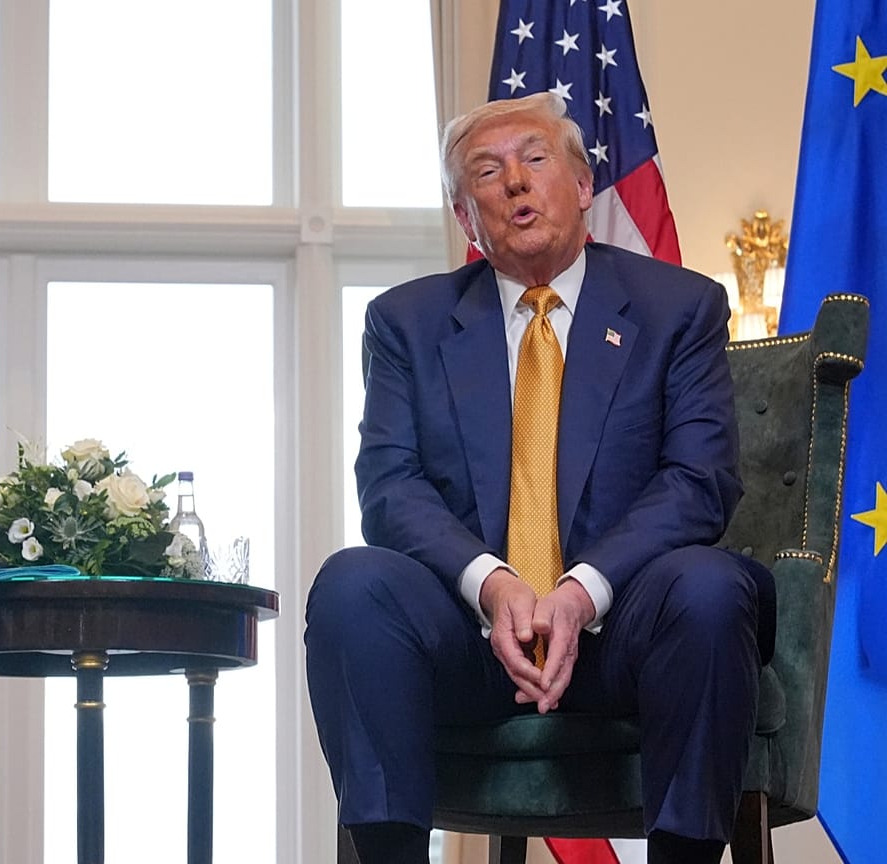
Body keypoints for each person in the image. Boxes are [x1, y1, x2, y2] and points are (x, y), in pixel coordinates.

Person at [304, 92, 775, 864]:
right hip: (471, 639)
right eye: (487, 172)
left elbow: (699, 481)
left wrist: (579, 590)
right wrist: (493, 585)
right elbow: (390, 489)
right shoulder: (406, 324)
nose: (515, 183)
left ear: (584, 186)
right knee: (353, 585)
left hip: (621, 628)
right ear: (467, 219)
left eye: (534, 159)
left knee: (711, 587)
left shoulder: (678, 308)